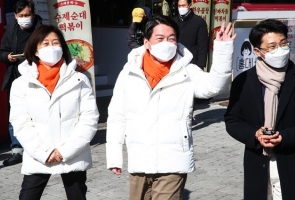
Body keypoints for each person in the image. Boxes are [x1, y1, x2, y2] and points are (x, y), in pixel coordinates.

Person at [106, 15, 236, 200]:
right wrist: (114, 156)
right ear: (147, 42)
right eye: (160, 38)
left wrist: (223, 50)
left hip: (174, 158)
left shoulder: (186, 71)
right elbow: (117, 115)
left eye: (171, 38)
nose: (166, 43)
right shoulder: (129, 72)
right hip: (139, 158)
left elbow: (213, 86)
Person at [9, 25, 99, 199]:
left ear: (63, 47)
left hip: (72, 154)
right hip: (39, 154)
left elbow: (90, 118)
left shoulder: (79, 80)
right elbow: (20, 122)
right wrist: (45, 152)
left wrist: (65, 151)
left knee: (77, 196)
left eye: (55, 43)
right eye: (45, 43)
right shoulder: (21, 84)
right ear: (35, 50)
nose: (51, 48)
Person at [225, 19, 295, 200]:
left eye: (283, 44)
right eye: (272, 47)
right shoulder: (243, 82)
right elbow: (233, 121)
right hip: (257, 163)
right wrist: (255, 135)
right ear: (257, 51)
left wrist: (284, 137)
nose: (280, 50)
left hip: (290, 162)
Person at [0, 0, 42, 166]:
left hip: (37, 77)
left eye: (27, 15)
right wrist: (7, 56)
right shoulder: (10, 30)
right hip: (15, 77)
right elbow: (1, 52)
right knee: (15, 114)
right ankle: (17, 149)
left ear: (33, 14)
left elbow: (50, 50)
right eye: (21, 15)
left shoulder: (41, 30)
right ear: (15, 16)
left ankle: (37, 147)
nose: (25, 18)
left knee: (36, 112)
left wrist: (33, 54)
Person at [173, 0, 208, 70]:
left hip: (193, 63)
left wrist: (200, 65)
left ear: (190, 5)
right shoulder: (173, 22)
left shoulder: (199, 22)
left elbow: (203, 45)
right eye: (179, 6)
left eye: (183, 5)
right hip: (176, 62)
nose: (181, 8)